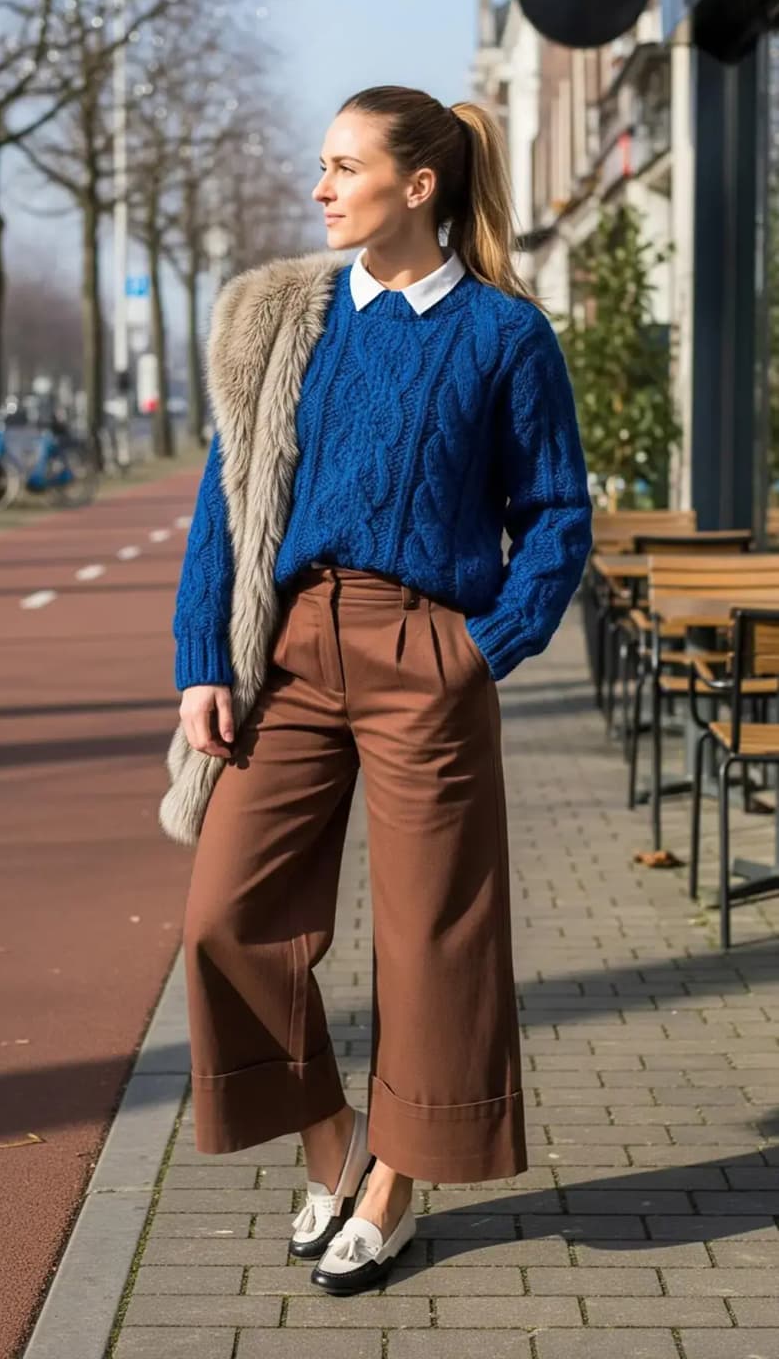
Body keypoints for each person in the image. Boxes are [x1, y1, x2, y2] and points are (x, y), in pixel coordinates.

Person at [168, 85, 593, 1297]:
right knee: (223, 918)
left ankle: (398, 1184)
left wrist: (484, 646)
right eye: (321, 164)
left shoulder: (505, 335)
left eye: (343, 166)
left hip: (427, 654)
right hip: (292, 649)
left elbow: (556, 512)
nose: (319, 187)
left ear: (419, 187)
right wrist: (205, 658)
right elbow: (230, 499)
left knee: (428, 941)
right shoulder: (282, 318)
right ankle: (335, 1143)